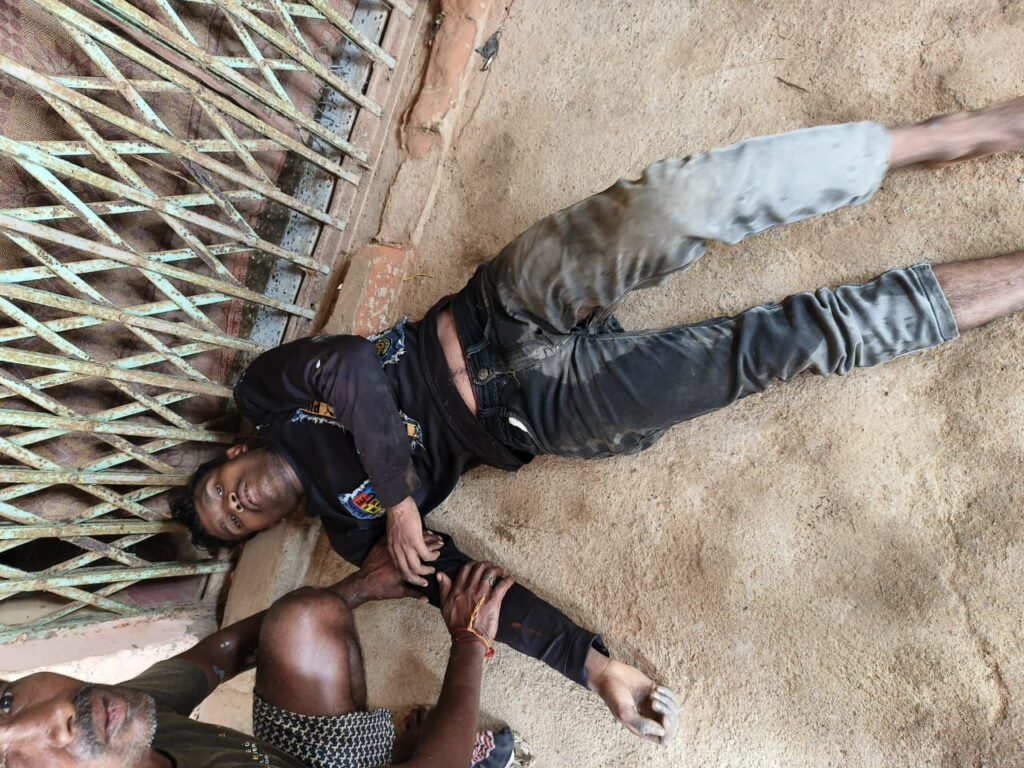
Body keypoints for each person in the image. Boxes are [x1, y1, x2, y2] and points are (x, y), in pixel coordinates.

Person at [172, 97, 1024, 741]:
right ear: (269, 529)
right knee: (772, 350)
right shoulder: (352, 529)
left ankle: (945, 137)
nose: (236, 503)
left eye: (219, 491)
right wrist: (596, 668)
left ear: (237, 452)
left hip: (497, 309)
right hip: (543, 409)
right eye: (234, 524)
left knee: (685, 201)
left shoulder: (271, 397)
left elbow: (352, 368)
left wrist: (398, 497)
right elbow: (466, 594)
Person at [0, 545, 581, 767]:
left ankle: (403, 747)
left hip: (284, 758)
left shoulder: (121, 721)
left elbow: (215, 656)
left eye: (4, 702)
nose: (55, 717)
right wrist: (470, 642)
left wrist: (357, 588)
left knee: (302, 618)